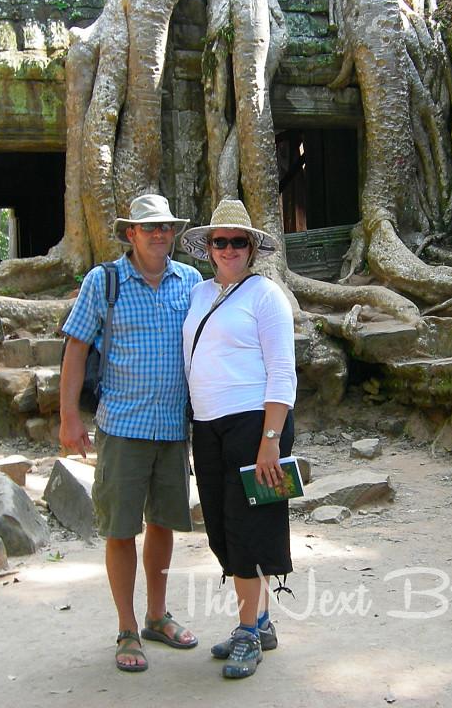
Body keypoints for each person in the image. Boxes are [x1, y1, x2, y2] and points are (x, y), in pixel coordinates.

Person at [59, 193, 202, 673]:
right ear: (131, 234)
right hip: (122, 426)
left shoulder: (190, 281)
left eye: (165, 227)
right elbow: (76, 349)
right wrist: (69, 418)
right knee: (121, 528)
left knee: (163, 523)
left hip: (172, 426)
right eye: (149, 228)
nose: (160, 235)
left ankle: (157, 615)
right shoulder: (105, 281)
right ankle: (126, 627)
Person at [180, 199, 297, 680]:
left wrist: (271, 440)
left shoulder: (266, 296)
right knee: (223, 528)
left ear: (251, 248)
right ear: (207, 248)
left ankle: (248, 630)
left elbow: (283, 372)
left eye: (237, 241)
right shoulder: (199, 294)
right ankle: (261, 620)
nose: (228, 249)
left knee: (251, 527)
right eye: (219, 241)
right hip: (208, 425)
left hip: (257, 425)